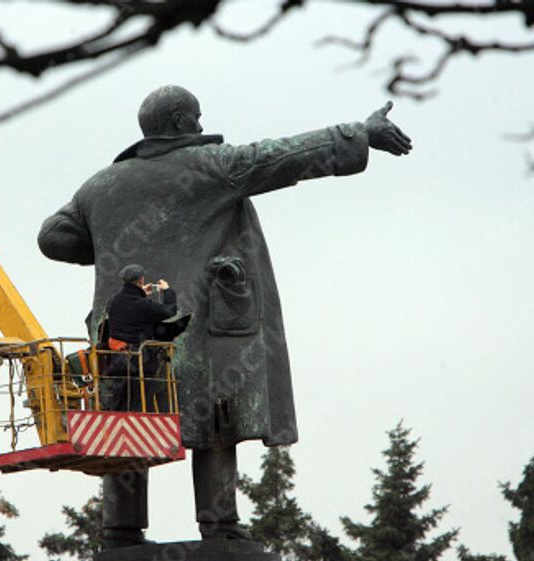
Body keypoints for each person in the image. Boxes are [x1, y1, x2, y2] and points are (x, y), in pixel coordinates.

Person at [38, 85, 412, 547]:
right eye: (195, 116)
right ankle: (219, 529)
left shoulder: (100, 186)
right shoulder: (211, 166)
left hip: (124, 343)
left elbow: (52, 237)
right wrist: (360, 133)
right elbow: (284, 156)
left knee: (127, 425)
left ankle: (121, 532)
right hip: (193, 331)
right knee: (215, 423)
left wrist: (114, 244)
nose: (200, 124)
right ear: (179, 123)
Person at [101, 263, 177, 412]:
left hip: (117, 361)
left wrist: (140, 292)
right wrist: (167, 291)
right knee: (139, 403)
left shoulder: (113, 302)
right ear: (141, 280)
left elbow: (127, 307)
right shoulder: (143, 305)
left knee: (119, 402)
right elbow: (169, 311)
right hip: (141, 363)